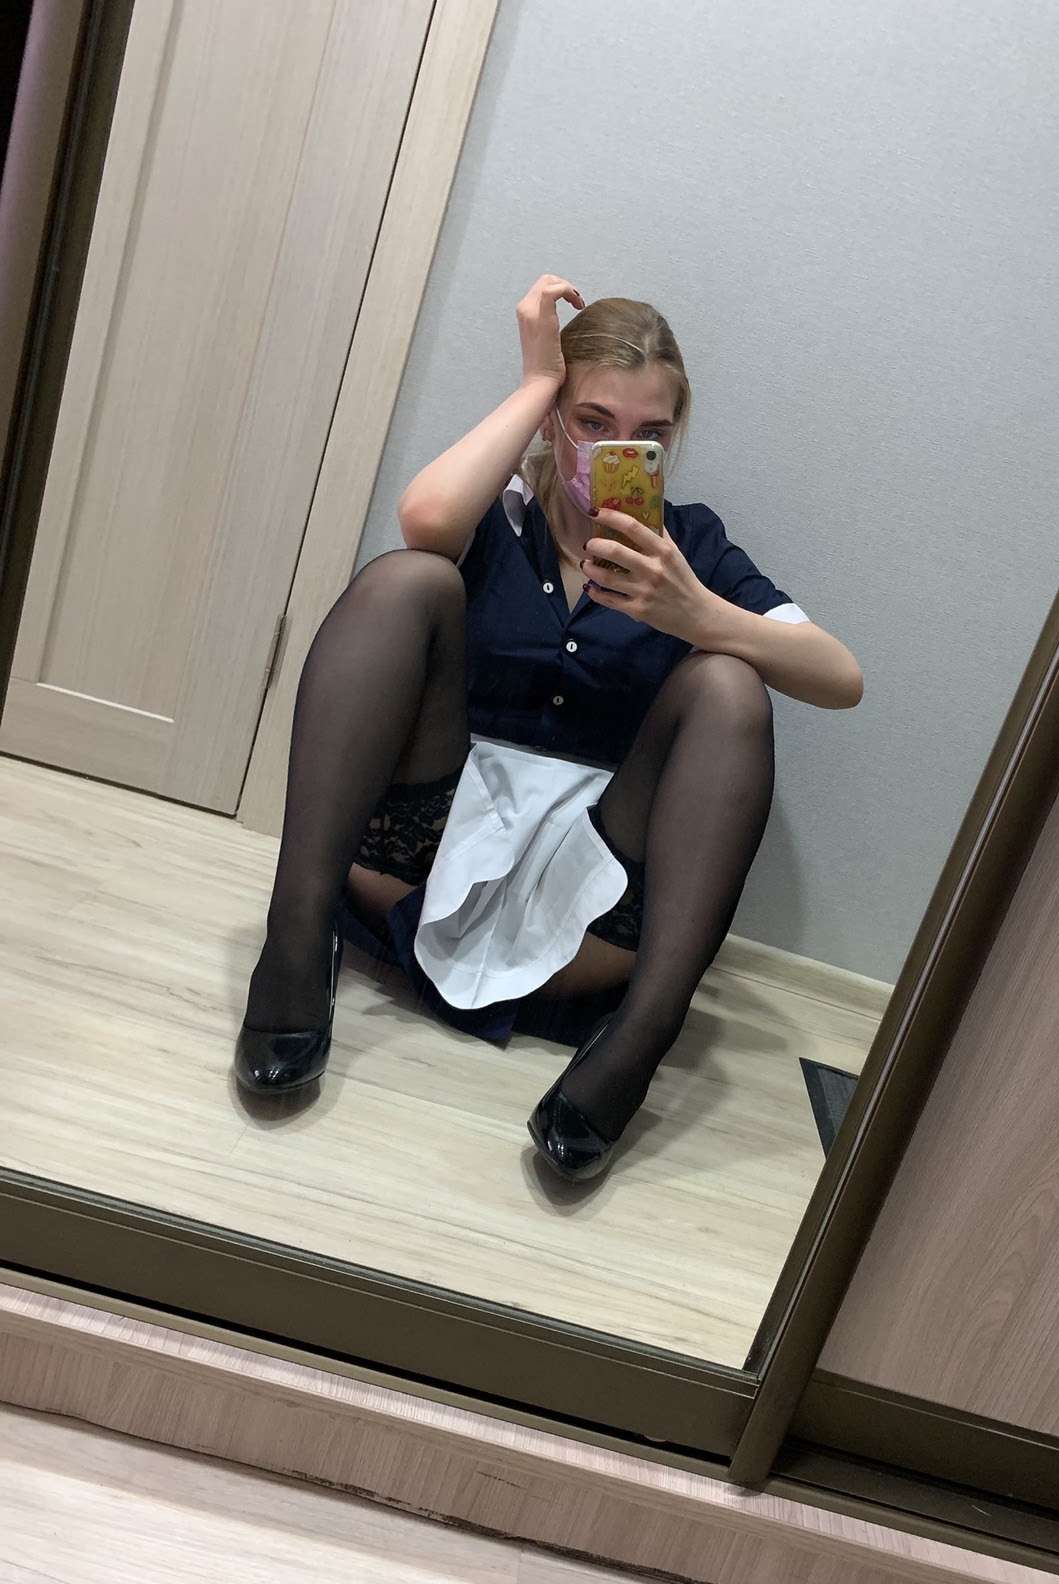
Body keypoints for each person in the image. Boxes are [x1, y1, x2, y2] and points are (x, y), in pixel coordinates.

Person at [234, 274, 863, 1183]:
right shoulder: (499, 513)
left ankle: (641, 1037)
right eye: (593, 421)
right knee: (410, 578)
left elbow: (840, 678)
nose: (617, 450)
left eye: (648, 434)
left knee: (731, 684)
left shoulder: (689, 547)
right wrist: (537, 381)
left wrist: (697, 613)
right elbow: (424, 520)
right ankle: (294, 941)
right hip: (422, 854)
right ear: (554, 422)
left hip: (588, 901)